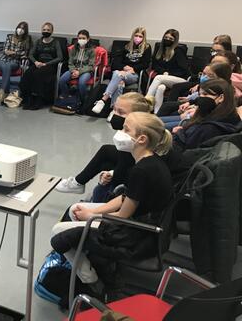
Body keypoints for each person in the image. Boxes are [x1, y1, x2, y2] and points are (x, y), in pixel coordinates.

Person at [51, 113, 173, 294]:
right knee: (74, 210)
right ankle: (86, 259)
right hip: (140, 223)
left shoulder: (141, 170)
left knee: (57, 232)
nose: (120, 132)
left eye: (126, 129)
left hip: (136, 235)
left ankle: (91, 279)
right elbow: (126, 197)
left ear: (141, 139)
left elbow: (123, 215)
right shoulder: (149, 161)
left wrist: (91, 216)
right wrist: (93, 212)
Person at [56, 93, 153, 195]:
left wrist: (110, 174)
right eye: (114, 110)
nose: (115, 115)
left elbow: (127, 165)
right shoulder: (135, 128)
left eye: (121, 112)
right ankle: (78, 183)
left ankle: (80, 184)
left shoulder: (135, 138)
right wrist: (111, 172)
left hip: (138, 175)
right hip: (130, 164)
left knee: (105, 169)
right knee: (106, 151)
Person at [92, 27, 151, 114]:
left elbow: (145, 64)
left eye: (140, 36)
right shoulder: (126, 47)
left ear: (144, 37)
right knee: (119, 82)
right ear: (133, 36)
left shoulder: (147, 48)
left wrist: (133, 69)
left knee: (118, 74)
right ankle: (114, 111)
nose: (138, 38)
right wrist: (124, 68)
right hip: (121, 72)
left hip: (134, 74)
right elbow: (116, 62)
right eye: (136, 35)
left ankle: (103, 100)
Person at [172, 79, 240, 152]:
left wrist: (179, 134)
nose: (200, 98)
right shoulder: (229, 116)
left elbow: (188, 151)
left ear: (221, 98)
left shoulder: (210, 128)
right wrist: (182, 131)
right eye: (199, 94)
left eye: (205, 94)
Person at [19, 22, 63, 110]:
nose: (46, 31)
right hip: (38, 63)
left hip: (50, 65)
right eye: (44, 29)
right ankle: (28, 99)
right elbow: (30, 54)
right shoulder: (38, 41)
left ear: (52, 31)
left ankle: (38, 100)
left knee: (38, 74)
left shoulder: (56, 42)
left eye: (48, 30)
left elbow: (60, 57)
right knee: (28, 73)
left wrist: (46, 64)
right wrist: (35, 62)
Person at [146, 29, 189, 113]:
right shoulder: (159, 49)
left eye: (170, 39)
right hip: (164, 78)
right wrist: (164, 73)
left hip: (180, 79)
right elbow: (155, 65)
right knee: (160, 88)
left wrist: (169, 74)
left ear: (175, 40)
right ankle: (157, 113)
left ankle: (146, 100)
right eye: (166, 37)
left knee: (158, 77)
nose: (167, 40)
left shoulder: (178, 51)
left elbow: (183, 69)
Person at [0, 21, 31, 102]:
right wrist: (17, 53)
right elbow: (5, 51)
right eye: (19, 27)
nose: (20, 30)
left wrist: (12, 52)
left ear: (25, 31)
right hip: (2, 59)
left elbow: (25, 54)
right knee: (6, 66)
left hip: (15, 62)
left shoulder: (26, 40)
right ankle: (5, 92)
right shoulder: (10, 37)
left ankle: (3, 91)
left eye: (23, 28)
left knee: (8, 66)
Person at [57, 29, 96, 103]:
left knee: (81, 83)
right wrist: (73, 70)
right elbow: (70, 62)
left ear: (88, 39)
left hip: (86, 71)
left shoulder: (92, 50)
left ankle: (82, 101)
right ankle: (67, 96)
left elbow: (91, 65)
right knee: (62, 80)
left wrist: (79, 72)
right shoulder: (74, 48)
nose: (81, 40)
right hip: (74, 69)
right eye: (80, 38)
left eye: (83, 38)